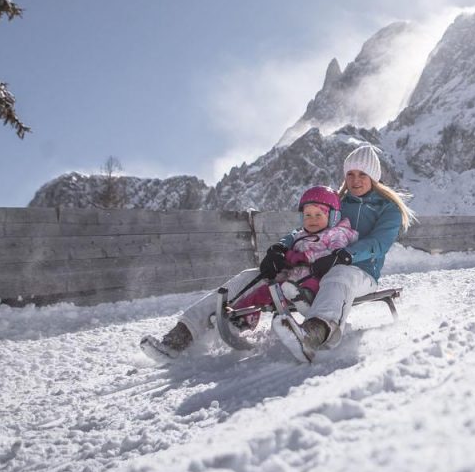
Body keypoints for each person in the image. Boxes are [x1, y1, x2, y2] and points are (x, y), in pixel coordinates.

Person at [140, 144, 415, 363]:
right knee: (251, 276)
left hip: (359, 270)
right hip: (314, 266)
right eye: (350, 174)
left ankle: (314, 333)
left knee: (341, 275)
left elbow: (379, 243)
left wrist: (344, 256)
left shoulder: (387, 208)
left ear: (374, 177)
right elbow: (305, 229)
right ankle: (181, 335)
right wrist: (280, 247)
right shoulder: (335, 202)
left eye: (362, 174)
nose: (355, 180)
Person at [140, 184, 357, 362]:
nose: (312, 219)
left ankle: (301, 309)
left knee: (284, 288)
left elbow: (336, 254)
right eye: (307, 214)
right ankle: (191, 333)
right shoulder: (299, 234)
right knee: (257, 288)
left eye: (318, 215)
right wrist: (278, 252)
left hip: (314, 283)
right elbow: (289, 240)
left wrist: (305, 258)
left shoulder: (336, 234)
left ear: (333, 217)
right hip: (287, 278)